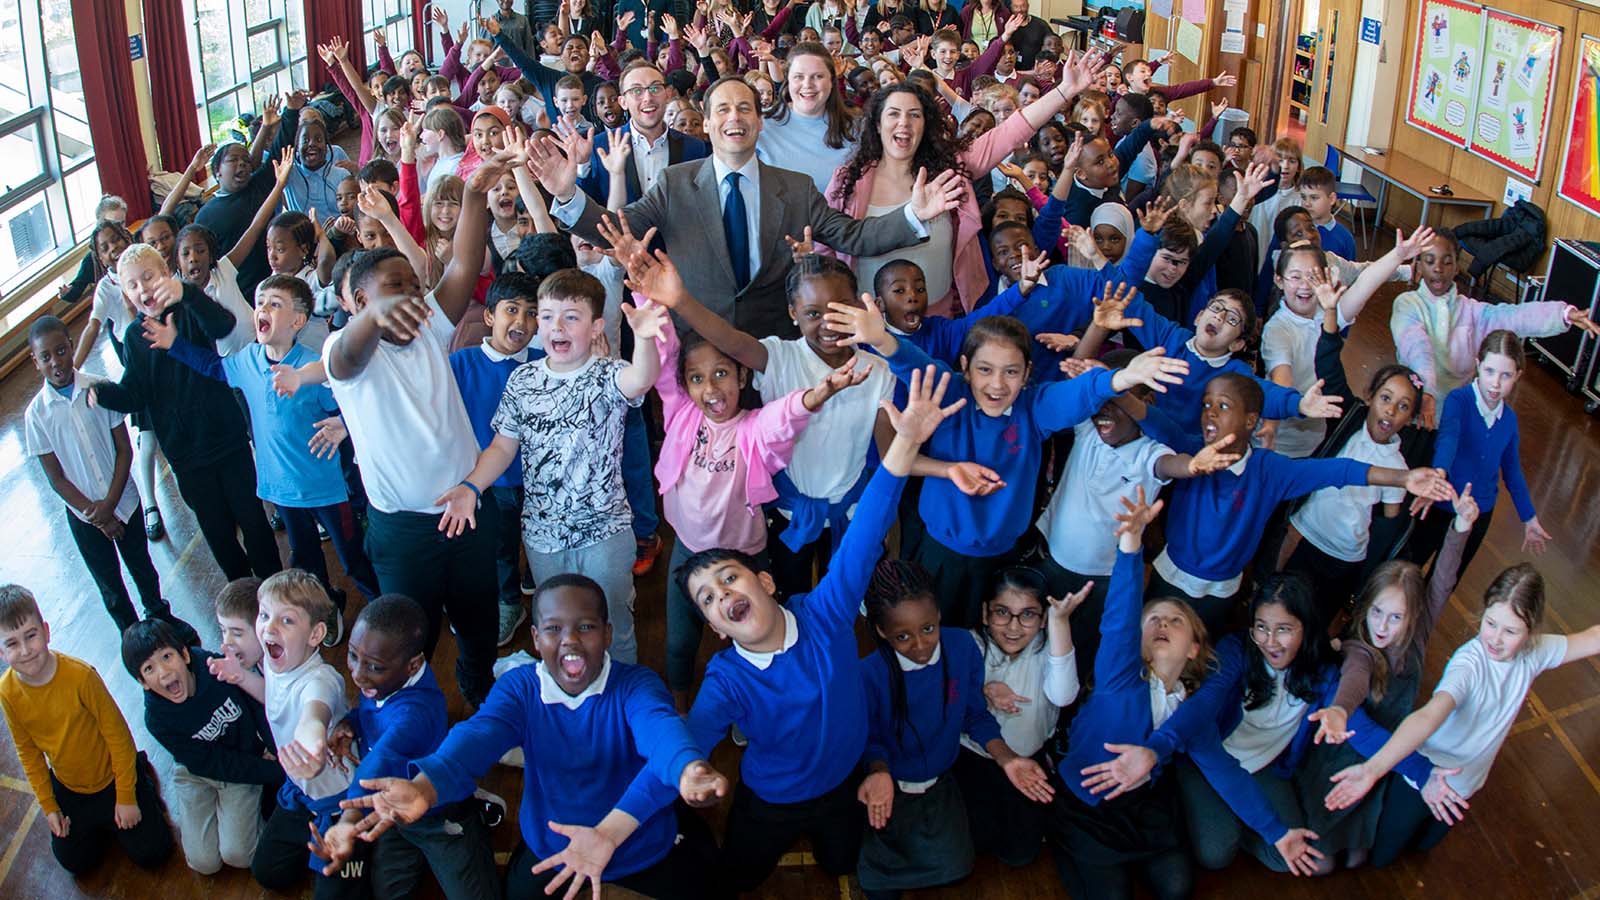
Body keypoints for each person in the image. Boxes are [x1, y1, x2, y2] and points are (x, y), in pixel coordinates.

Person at [677, 365, 956, 894]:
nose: (724, 596)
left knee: (840, 863)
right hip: (770, 801)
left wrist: (904, 447)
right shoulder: (725, 682)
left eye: (729, 578)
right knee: (739, 874)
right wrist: (678, 776)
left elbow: (870, 524)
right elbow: (686, 744)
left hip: (843, 787)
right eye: (709, 600)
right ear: (715, 628)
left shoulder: (825, 612)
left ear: (764, 579)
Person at [338, 574, 730, 899]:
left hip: (641, 846)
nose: (570, 640)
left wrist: (687, 767)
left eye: (587, 627)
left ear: (608, 634)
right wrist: (425, 787)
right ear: (536, 637)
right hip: (551, 849)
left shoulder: (636, 685)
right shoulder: (521, 688)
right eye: (554, 629)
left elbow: (661, 731)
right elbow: (478, 736)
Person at [826, 295, 1189, 627]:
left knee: (985, 635)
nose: (997, 384)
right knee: (935, 627)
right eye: (985, 369)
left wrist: (1122, 378)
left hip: (1002, 559)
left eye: (1011, 372)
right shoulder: (951, 392)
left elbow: (1077, 394)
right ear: (965, 368)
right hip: (940, 552)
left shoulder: (1034, 409)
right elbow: (913, 363)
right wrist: (881, 340)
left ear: (1028, 373)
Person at [527, 75, 958, 339]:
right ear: (709, 123)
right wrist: (567, 196)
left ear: (759, 121)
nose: (735, 116)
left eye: (745, 108)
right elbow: (617, 227)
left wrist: (912, 216)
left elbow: (855, 236)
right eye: (723, 109)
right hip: (697, 347)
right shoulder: (674, 183)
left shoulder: (796, 188)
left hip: (772, 347)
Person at [635, 267, 864, 710]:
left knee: (742, 638)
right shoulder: (682, 414)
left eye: (721, 374)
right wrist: (649, 310)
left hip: (745, 554)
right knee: (680, 642)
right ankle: (680, 708)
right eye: (697, 379)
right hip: (689, 548)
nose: (710, 388)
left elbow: (784, 418)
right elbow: (664, 366)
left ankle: (742, 705)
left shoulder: (754, 429)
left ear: (742, 378)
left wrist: (818, 395)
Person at [322, 159, 501, 707]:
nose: (409, 298)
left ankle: (479, 695)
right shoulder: (344, 354)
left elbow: (465, 265)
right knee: (408, 637)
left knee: (478, 623)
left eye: (411, 286)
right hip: (403, 530)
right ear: (355, 304)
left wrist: (473, 195)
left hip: (468, 508)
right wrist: (374, 321)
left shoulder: (428, 325)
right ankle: (414, 722)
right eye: (389, 291)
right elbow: (350, 353)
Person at [436, 269, 668, 665]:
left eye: (571, 317)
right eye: (546, 316)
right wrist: (471, 486)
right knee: (558, 622)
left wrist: (644, 337)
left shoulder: (607, 374)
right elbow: (502, 447)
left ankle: (622, 696)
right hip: (543, 537)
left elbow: (642, 379)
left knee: (613, 621)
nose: (555, 326)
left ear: (596, 326)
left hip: (605, 532)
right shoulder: (523, 380)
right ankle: (569, 690)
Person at [145, 274, 379, 643]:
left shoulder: (312, 368)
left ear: (298, 322)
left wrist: (342, 423)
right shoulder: (249, 361)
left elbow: (349, 404)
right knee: (305, 559)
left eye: (275, 304)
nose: (263, 310)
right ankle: (327, 607)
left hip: (326, 490)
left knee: (351, 555)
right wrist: (175, 344)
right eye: (260, 302)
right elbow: (213, 367)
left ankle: (382, 606)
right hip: (282, 491)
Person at [1322, 560, 1600, 866]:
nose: (1495, 638)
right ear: (1483, 612)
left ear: (1530, 631)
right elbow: (1428, 716)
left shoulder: (1535, 653)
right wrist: (1374, 768)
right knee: (1382, 858)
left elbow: (1590, 638)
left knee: (1424, 846)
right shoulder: (1469, 664)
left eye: (1510, 631)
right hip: (1425, 778)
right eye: (1490, 623)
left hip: (1467, 784)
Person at [827, 49, 1104, 315]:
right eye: (893, 114)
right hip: (869, 322)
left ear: (926, 125)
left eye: (914, 115)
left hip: (942, 319)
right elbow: (827, 246)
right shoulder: (848, 179)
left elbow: (1008, 132)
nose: (904, 123)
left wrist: (1065, 90)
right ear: (877, 124)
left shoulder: (951, 168)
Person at [855, 558, 1057, 899]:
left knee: (957, 868)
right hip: (890, 784)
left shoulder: (962, 648)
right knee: (878, 885)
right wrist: (878, 772)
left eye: (928, 629)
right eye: (902, 636)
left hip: (940, 780)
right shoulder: (869, 674)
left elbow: (974, 715)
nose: (920, 646)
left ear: (938, 617)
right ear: (880, 631)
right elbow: (870, 738)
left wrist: (1008, 759)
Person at [89, 244, 283, 582]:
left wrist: (188, 294)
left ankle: (273, 588)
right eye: (132, 284)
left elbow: (223, 325)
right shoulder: (134, 336)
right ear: (124, 290)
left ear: (165, 273)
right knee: (219, 534)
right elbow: (134, 394)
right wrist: (100, 391)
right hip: (186, 456)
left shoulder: (188, 307)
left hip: (227, 440)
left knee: (253, 520)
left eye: (148, 277)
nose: (143, 288)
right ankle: (243, 597)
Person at [308, 595, 500, 898]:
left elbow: (378, 762)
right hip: (394, 811)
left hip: (438, 813)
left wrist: (347, 821)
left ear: (413, 665)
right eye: (353, 656)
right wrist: (352, 723)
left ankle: (474, 814)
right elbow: (374, 714)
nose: (357, 674)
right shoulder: (384, 678)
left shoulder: (415, 714)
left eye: (372, 665)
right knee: (388, 893)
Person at [24, 316, 195, 641]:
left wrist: (112, 505)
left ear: (71, 347)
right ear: (35, 361)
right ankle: (134, 639)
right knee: (111, 587)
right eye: (45, 357)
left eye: (61, 351)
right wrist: (99, 516)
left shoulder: (99, 388)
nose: (56, 362)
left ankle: (161, 621)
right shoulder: (37, 415)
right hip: (84, 517)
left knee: (143, 570)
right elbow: (56, 479)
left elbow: (123, 450)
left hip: (125, 502)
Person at [0, 585, 174, 875]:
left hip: (111, 777)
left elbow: (118, 737)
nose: (26, 650)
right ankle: (107, 822)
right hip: (71, 787)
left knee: (155, 853)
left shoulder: (81, 676)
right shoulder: (7, 691)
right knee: (76, 862)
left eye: (31, 635)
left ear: (45, 631)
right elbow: (27, 751)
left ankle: (139, 775)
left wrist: (126, 798)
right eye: (13, 643)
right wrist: (50, 807)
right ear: (2, 652)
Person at [1389, 228, 1598, 428]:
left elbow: (1514, 317)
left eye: (1447, 262)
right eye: (1430, 261)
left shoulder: (1472, 311)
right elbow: (1417, 347)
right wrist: (1427, 392)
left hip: (1455, 419)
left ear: (1456, 268)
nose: (1438, 268)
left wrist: (1562, 314)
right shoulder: (1407, 304)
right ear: (1418, 266)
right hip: (1412, 412)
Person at [121, 619, 281, 875]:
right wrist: (274, 773)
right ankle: (228, 813)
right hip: (197, 771)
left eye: (167, 657)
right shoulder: (156, 719)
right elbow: (210, 762)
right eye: (149, 669)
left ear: (184, 654)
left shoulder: (214, 667)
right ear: (142, 682)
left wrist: (277, 758)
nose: (163, 672)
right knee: (203, 863)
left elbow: (256, 704)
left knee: (239, 854)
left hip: (240, 760)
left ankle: (244, 815)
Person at [957, 568, 1084, 868]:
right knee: (975, 842)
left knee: (1020, 854)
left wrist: (1060, 621)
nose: (1014, 627)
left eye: (1028, 615)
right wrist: (983, 690)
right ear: (986, 613)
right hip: (974, 758)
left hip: (1029, 760)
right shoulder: (970, 645)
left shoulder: (1049, 652)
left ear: (1042, 620)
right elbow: (951, 708)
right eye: (1002, 612)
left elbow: (1065, 695)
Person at [248, 570, 363, 896]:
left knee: (343, 887)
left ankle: (366, 850)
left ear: (316, 635)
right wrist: (240, 677)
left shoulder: (320, 680)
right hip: (300, 794)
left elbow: (314, 715)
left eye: (286, 621)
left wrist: (312, 745)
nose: (269, 627)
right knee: (267, 871)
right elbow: (275, 699)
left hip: (338, 803)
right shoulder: (274, 664)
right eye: (265, 615)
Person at [446, 273, 541, 646]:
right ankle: (510, 602)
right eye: (512, 310)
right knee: (501, 548)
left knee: (537, 541)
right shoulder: (462, 364)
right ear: (489, 316)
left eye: (532, 313)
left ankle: (534, 578)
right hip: (490, 481)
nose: (521, 322)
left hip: (538, 479)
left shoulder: (543, 361)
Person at [1410, 331, 1548, 579]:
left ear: (1518, 376)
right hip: (1441, 502)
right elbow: (1448, 439)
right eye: (1490, 371)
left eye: (1506, 375)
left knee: (1446, 579)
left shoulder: (1509, 421)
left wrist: (1529, 518)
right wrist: (1439, 476)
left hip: (1477, 514)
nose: (1495, 383)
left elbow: (1513, 472)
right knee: (1409, 566)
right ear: (1478, 365)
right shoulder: (1459, 400)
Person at [579, 61, 710, 206]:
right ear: (623, 102)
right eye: (636, 91)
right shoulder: (600, 146)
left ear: (667, 94)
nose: (648, 97)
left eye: (655, 88)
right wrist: (582, 166)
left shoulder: (695, 148)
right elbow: (589, 206)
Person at [756, 43, 859, 195]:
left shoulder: (855, 129)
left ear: (831, 81)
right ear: (788, 80)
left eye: (818, 76)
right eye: (799, 77)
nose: (807, 84)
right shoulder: (760, 126)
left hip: (838, 218)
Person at [1296, 166, 1356, 261]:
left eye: (1314, 198)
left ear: (1332, 199)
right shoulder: (1293, 230)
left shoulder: (1345, 238)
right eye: (1303, 197)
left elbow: (1350, 274)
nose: (1307, 203)